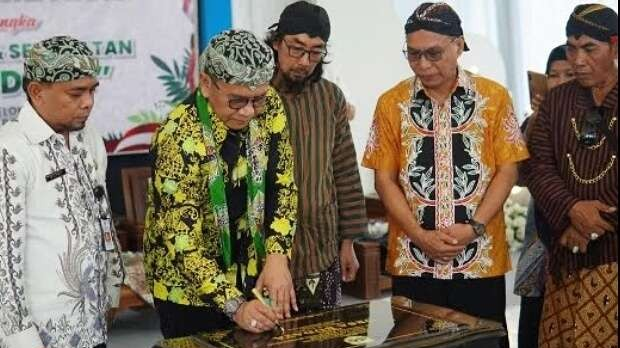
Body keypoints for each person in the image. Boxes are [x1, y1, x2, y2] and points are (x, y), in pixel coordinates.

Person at [362, 3, 529, 348]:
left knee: (482, 342)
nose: (423, 65)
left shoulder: (494, 98)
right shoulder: (391, 103)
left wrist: (474, 228)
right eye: (413, 55)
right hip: (413, 259)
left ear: (458, 44)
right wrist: (420, 237)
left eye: (433, 53)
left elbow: (508, 170)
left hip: (479, 258)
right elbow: (384, 179)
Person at [143, 30, 298, 338]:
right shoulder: (177, 136)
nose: (249, 111)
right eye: (237, 100)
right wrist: (235, 306)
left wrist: (278, 256)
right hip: (188, 289)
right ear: (206, 84)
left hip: (253, 270)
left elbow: (284, 185)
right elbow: (181, 240)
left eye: (258, 100)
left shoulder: (271, 108)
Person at [0, 36, 123, 348]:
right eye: (76, 93)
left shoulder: (89, 139)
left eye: (92, 90)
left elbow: (102, 215)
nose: (88, 102)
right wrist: (20, 338)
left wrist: (112, 288)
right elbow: (4, 260)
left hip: (94, 322)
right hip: (38, 335)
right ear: (37, 92)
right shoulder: (11, 149)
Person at [266, 0, 368, 312]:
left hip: (321, 246)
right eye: (296, 48)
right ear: (275, 42)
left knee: (324, 337)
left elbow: (345, 171)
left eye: (315, 51)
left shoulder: (330, 97)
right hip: (265, 253)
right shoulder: (254, 96)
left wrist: (348, 243)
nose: (304, 60)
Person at [525, 4, 618, 347]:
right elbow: (537, 165)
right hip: (565, 254)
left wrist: (592, 224)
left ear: (615, 47)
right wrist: (570, 212)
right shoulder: (557, 100)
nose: (577, 60)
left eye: (589, 49)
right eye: (571, 48)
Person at [513, 44, 575, 348]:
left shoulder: (598, 117)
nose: (560, 81)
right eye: (553, 75)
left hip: (579, 240)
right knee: (533, 326)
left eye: (569, 74)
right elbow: (521, 175)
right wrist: (538, 117)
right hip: (540, 239)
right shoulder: (535, 121)